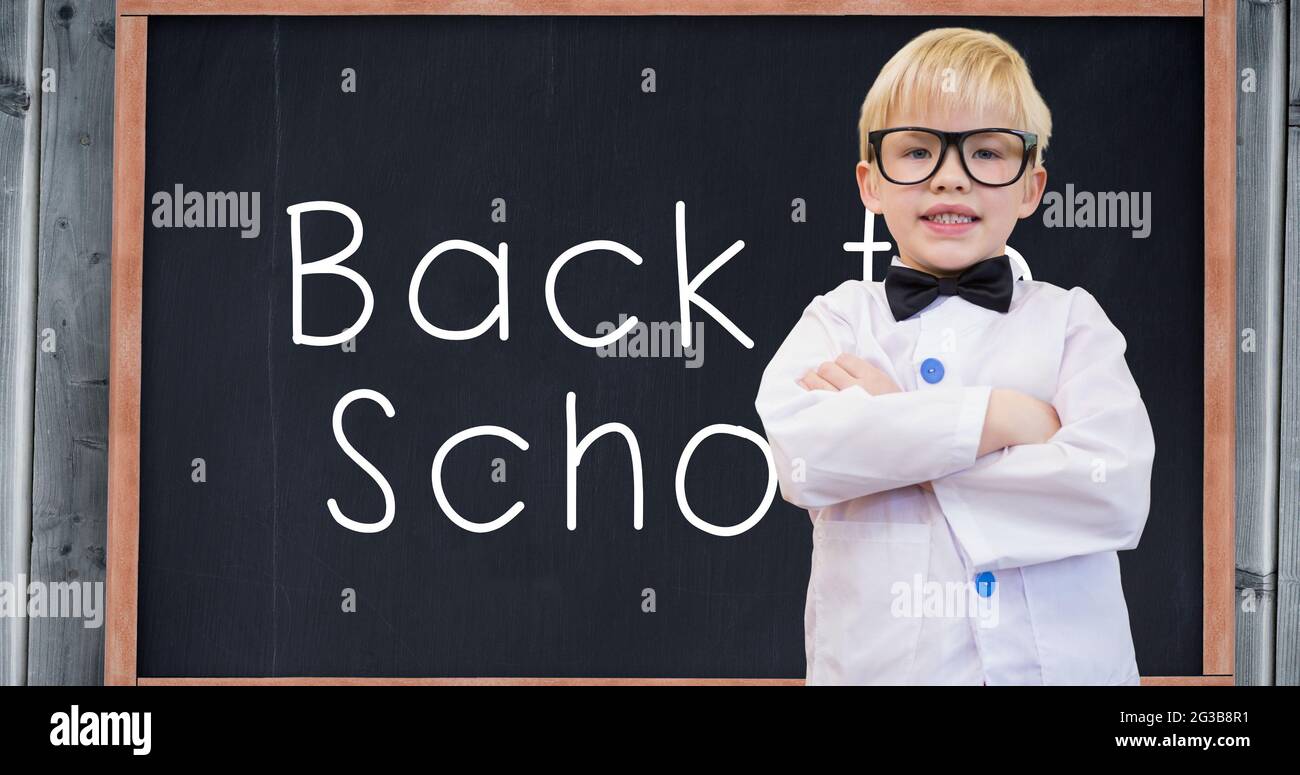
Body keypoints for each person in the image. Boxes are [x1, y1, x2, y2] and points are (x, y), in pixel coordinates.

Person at [753, 27, 1156, 685]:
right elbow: (805, 459)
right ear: (871, 183)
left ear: (1031, 187)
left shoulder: (1072, 323)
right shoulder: (837, 321)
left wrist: (895, 427)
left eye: (986, 153)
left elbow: (1114, 492)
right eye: (916, 151)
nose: (949, 177)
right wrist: (1000, 417)